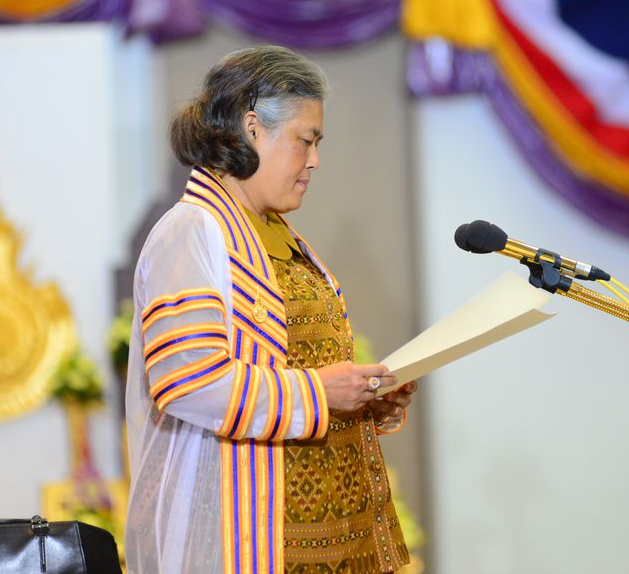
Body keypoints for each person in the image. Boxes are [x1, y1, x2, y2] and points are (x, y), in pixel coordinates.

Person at [125, 45, 418, 573]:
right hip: (247, 534)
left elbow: (298, 366)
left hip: (330, 531)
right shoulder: (193, 230)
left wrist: (362, 397)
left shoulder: (276, 232)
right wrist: (320, 392)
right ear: (252, 129)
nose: (315, 160)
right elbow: (186, 382)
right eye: (306, 140)